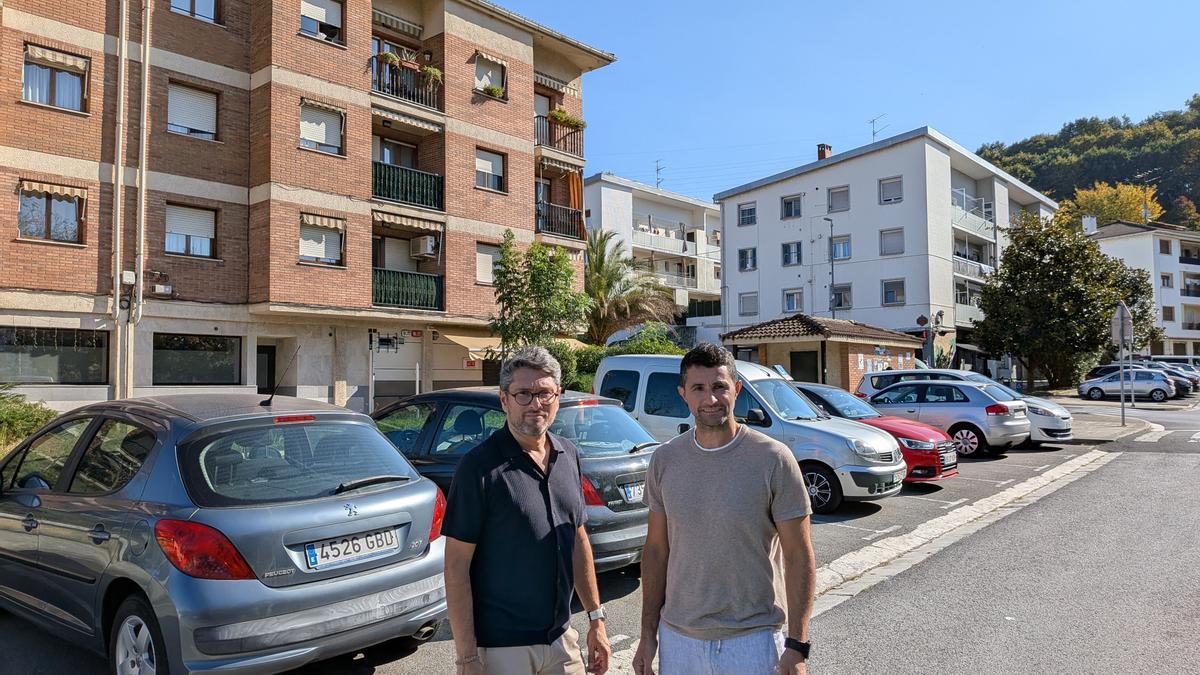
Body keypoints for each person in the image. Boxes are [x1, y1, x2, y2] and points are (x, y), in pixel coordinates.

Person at [633, 343, 817, 675]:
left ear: (737, 389)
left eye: (720, 387)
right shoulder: (664, 460)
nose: (711, 399)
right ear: (683, 395)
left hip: (756, 642)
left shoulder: (773, 459)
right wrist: (647, 636)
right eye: (698, 388)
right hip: (679, 641)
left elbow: (799, 554)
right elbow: (656, 551)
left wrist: (798, 645)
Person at [443, 346, 611, 675]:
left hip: (562, 641)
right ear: (504, 399)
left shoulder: (568, 455)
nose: (535, 403)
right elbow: (456, 567)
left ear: (558, 396)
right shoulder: (478, 467)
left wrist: (596, 620)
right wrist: (466, 656)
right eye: (523, 393)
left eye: (544, 393)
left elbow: (578, 541)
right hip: (503, 651)